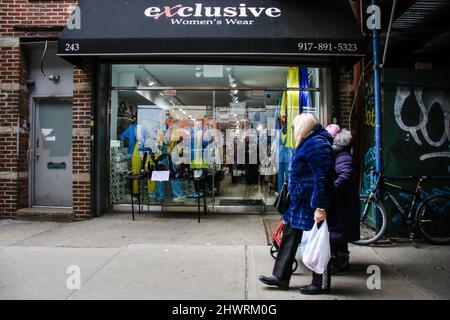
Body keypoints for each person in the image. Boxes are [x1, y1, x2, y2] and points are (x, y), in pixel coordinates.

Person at [259, 113, 335, 295]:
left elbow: (322, 178)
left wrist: (320, 206)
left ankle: (320, 283)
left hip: (312, 203)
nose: (293, 131)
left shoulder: (317, 143)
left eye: (294, 127)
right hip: (300, 203)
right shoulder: (310, 142)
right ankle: (280, 276)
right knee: (289, 235)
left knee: (318, 242)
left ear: (303, 127)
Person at [325, 125, 360, 273]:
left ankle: (340, 262)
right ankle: (339, 260)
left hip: (342, 202)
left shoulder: (343, 156)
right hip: (341, 201)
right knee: (338, 232)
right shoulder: (339, 154)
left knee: (338, 232)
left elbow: (345, 176)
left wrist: (331, 188)